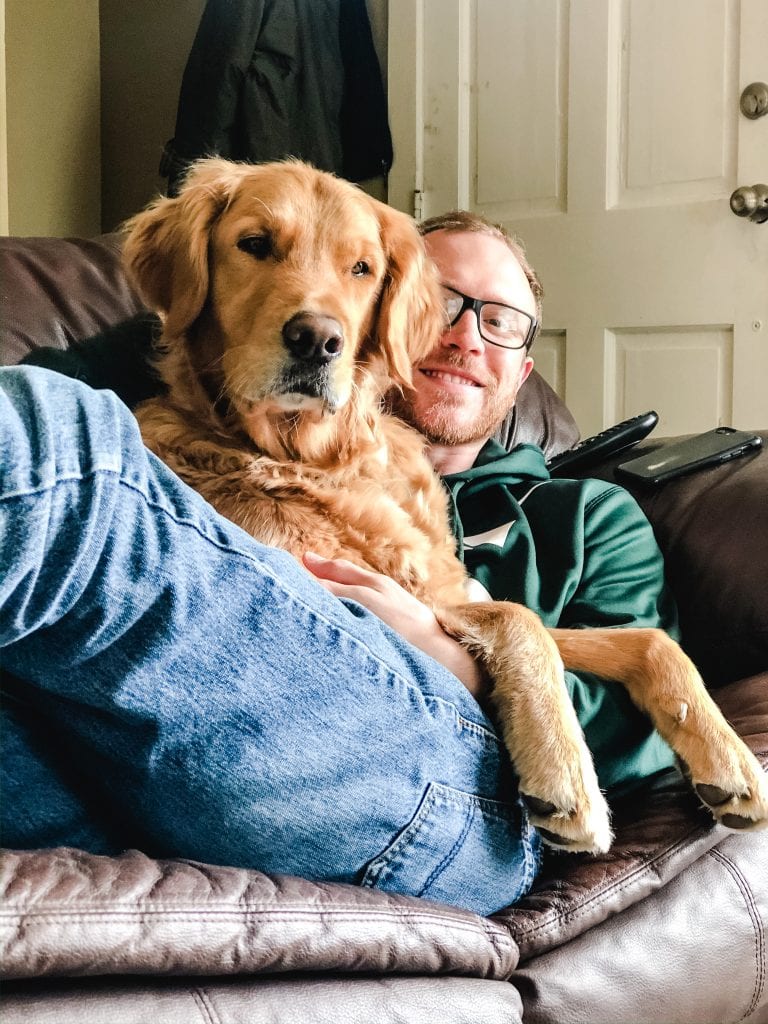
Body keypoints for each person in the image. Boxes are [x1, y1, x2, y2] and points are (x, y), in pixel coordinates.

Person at [0, 213, 675, 918]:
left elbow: (640, 724)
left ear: (522, 371)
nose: (465, 336)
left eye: (501, 322)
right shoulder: (244, 412)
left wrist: (456, 653)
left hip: (453, 792)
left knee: (52, 439)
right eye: (439, 303)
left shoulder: (584, 512)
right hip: (156, 765)